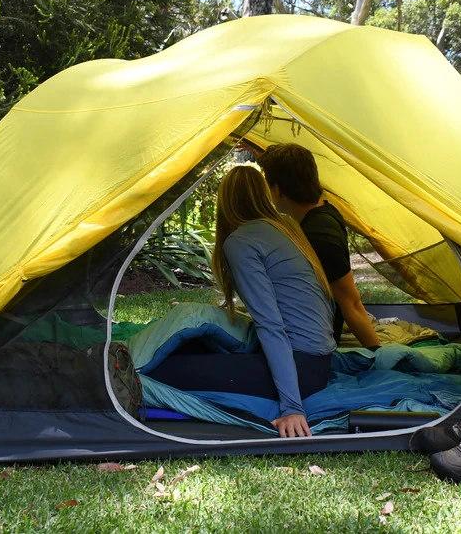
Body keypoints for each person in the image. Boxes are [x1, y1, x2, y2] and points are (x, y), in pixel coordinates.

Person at [145, 165, 336, 438]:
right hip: (319, 363)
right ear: (264, 194)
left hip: (300, 370)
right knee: (193, 349)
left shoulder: (241, 241)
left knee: (162, 370)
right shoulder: (288, 228)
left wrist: (292, 407)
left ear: (225, 203)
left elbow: (270, 324)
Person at [256, 143, 381, 349]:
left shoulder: (321, 235)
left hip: (310, 339)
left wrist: (379, 355)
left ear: (277, 190)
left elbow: (351, 303)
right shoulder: (320, 212)